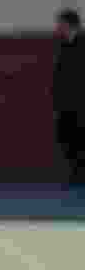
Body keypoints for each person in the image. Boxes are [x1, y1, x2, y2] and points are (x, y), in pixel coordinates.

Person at [56, 9, 84, 188]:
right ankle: (76, 172)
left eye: (60, 24)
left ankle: (80, 174)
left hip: (80, 103)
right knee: (66, 138)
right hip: (66, 104)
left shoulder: (82, 45)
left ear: (69, 24)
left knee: (80, 139)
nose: (58, 28)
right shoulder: (64, 45)